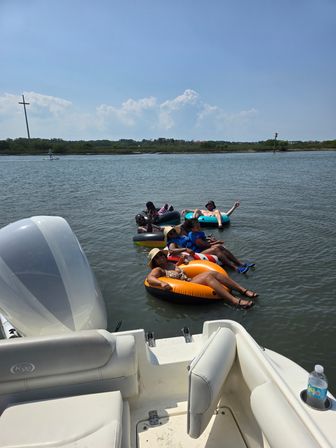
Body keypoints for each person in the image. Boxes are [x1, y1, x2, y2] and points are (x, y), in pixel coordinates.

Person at [146, 248, 257, 309]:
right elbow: (150, 278)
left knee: (213, 273)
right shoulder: (158, 270)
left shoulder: (170, 264)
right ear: (154, 262)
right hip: (185, 285)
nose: (160, 258)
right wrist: (161, 284)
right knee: (208, 276)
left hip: (189, 281)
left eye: (161, 255)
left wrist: (182, 260)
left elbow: (177, 268)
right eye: (157, 258)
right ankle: (234, 301)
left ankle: (242, 290)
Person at [186, 218, 254, 273]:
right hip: (198, 253)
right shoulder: (193, 236)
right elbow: (204, 246)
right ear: (192, 229)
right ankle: (235, 268)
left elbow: (204, 239)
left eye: (198, 224)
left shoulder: (197, 232)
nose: (198, 226)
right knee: (216, 249)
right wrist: (216, 242)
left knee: (219, 246)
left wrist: (210, 239)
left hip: (203, 249)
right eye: (196, 226)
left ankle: (239, 263)